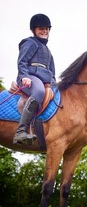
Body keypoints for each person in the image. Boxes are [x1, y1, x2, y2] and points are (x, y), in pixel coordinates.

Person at [13, 13, 56, 145]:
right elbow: (22, 62)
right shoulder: (30, 43)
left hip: (45, 79)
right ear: (34, 30)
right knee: (39, 92)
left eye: (46, 29)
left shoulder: (48, 51)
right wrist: (24, 76)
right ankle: (20, 131)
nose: (44, 31)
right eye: (41, 29)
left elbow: (52, 71)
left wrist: (54, 83)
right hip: (30, 77)